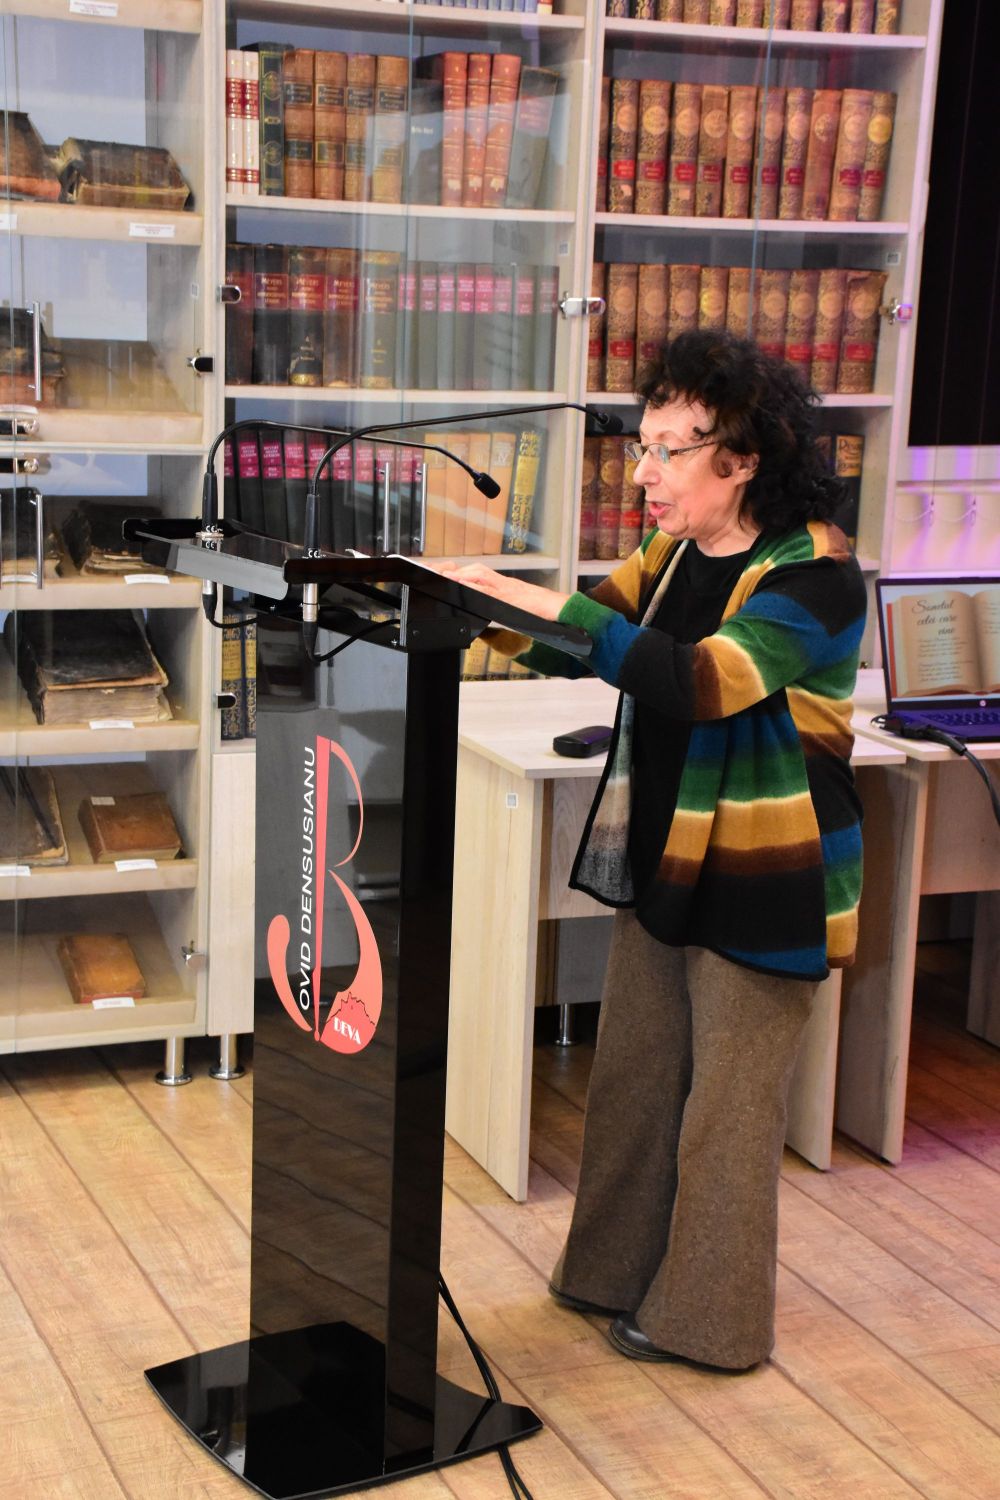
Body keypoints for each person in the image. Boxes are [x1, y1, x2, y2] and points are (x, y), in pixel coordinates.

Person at [443, 329, 866, 1373]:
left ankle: (709, 1325)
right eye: (643, 447)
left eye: (670, 451)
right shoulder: (674, 554)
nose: (643, 474)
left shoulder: (814, 572)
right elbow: (583, 636)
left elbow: (702, 680)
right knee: (634, 1082)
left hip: (770, 878)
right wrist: (474, 601)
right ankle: (608, 1274)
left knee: (725, 1113)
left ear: (745, 457)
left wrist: (555, 611)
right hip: (669, 855)